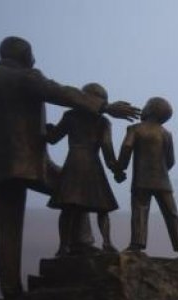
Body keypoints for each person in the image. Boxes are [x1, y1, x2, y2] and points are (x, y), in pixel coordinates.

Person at [0, 36, 140, 300]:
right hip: (29, 162)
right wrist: (103, 106)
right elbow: (60, 92)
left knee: (6, 231)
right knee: (75, 191)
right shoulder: (25, 76)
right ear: (26, 54)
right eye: (32, 55)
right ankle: (81, 245)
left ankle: (11, 292)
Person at [45, 82, 123, 255]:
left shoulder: (70, 116)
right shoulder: (102, 121)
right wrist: (116, 169)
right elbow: (107, 150)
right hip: (93, 165)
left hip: (74, 163)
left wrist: (46, 129)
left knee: (69, 208)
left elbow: (53, 138)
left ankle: (63, 246)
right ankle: (107, 243)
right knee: (102, 208)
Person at [116, 96, 178, 259]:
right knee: (172, 214)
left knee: (140, 211)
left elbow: (126, 148)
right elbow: (171, 160)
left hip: (141, 180)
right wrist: (161, 171)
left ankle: (136, 245)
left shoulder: (135, 129)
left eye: (146, 105)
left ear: (150, 110)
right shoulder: (166, 134)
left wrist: (120, 169)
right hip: (163, 181)